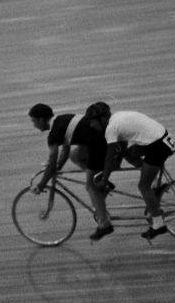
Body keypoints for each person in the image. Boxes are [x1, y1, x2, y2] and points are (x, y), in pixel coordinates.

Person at [81, 102, 175, 240]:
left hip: (157, 147)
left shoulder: (111, 128)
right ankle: (156, 183)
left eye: (93, 122)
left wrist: (104, 179)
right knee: (128, 153)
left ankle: (158, 224)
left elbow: (109, 157)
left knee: (143, 186)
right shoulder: (118, 117)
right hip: (160, 139)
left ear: (102, 119)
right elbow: (120, 150)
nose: (91, 125)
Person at [28, 102, 115, 240]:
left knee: (90, 186)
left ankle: (105, 225)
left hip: (97, 144)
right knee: (75, 156)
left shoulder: (53, 134)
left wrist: (41, 184)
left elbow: (51, 163)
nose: (34, 125)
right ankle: (100, 180)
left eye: (33, 121)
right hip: (99, 138)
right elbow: (65, 152)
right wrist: (57, 167)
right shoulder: (61, 120)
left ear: (41, 119)